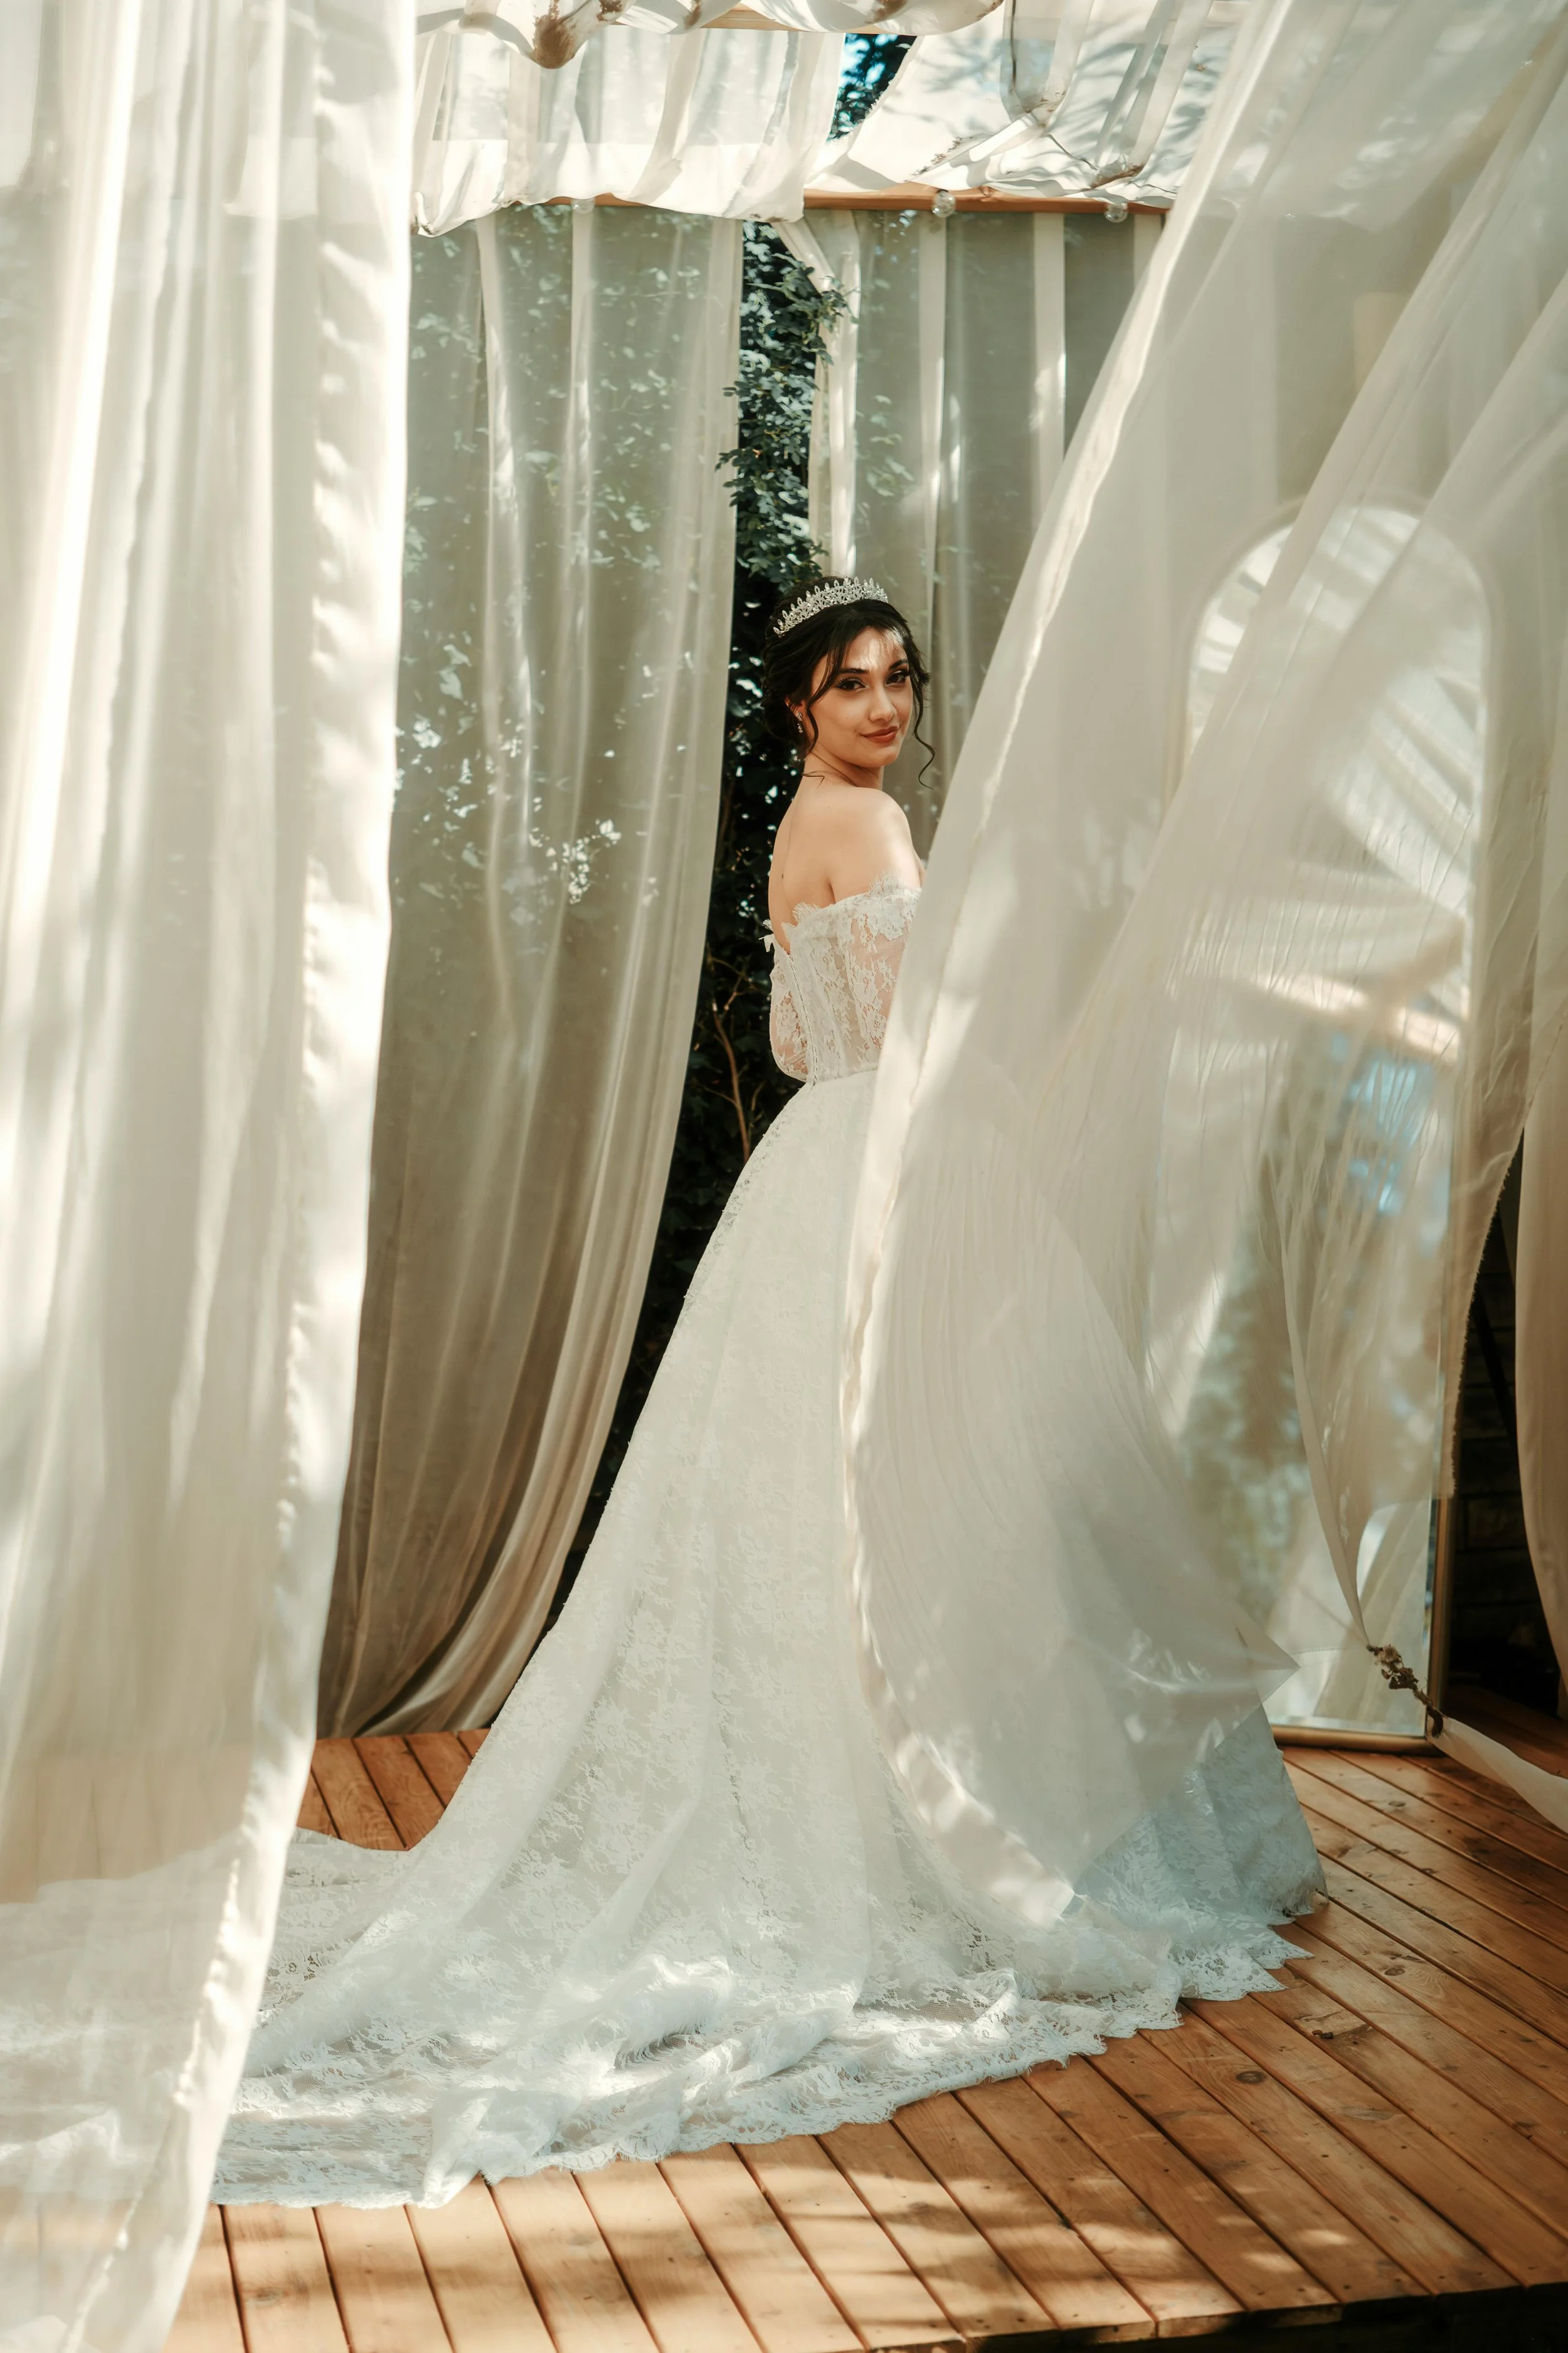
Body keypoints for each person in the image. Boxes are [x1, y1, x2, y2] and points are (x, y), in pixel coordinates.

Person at [215, 580, 1323, 2207]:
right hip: (900, 1170)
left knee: (886, 1503)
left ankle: (909, 1781)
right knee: (958, 1493)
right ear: (796, 706)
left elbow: (808, 1050)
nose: (881, 707)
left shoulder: (814, 827)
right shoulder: (866, 833)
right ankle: (943, 1814)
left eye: (895, 680)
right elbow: (921, 1031)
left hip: (831, 1164)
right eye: (845, 686)